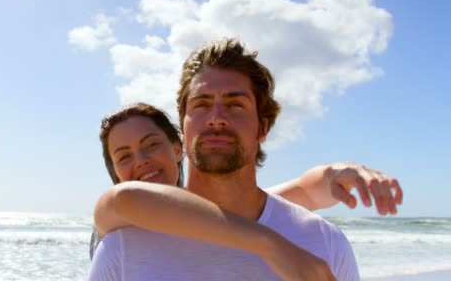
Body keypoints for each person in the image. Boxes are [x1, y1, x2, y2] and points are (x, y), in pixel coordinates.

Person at [89, 37, 402, 280]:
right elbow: (121, 200)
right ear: (183, 129)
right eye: (201, 105)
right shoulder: (123, 247)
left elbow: (299, 194)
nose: (215, 118)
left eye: (235, 105)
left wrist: (334, 173)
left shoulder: (323, 242)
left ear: (262, 127)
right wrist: (270, 244)